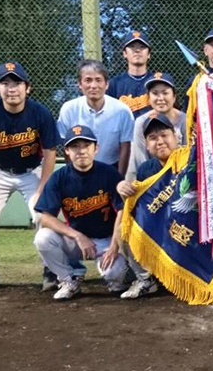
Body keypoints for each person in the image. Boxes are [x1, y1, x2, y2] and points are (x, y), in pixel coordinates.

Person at [0, 61, 59, 292]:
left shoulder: (40, 112)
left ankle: (51, 271)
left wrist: (42, 188)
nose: (11, 88)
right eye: (5, 83)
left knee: (44, 216)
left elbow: (50, 152)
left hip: (33, 171)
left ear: (27, 87)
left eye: (17, 82)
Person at [33, 125, 131, 301]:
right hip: (75, 240)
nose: (81, 151)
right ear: (68, 152)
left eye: (86, 145)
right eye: (75, 147)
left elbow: (123, 211)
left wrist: (115, 245)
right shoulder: (59, 177)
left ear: (96, 148)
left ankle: (116, 277)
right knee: (43, 238)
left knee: (115, 274)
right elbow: (45, 218)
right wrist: (78, 236)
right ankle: (69, 279)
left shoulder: (109, 173)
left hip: (106, 240)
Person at [117, 114, 181, 299]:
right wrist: (122, 187)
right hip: (161, 231)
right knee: (125, 230)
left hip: (189, 230)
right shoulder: (146, 169)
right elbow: (135, 208)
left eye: (164, 135)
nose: (159, 142)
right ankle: (146, 280)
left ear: (176, 137)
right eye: (152, 138)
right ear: (146, 145)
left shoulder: (190, 160)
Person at [58, 59, 134, 177]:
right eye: (88, 80)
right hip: (79, 169)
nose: (93, 86)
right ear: (80, 84)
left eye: (98, 80)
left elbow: (125, 147)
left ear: (106, 84)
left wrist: (119, 178)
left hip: (111, 168)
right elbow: (65, 145)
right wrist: (73, 175)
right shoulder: (68, 109)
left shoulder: (122, 111)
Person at [127, 72, 186, 181]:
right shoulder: (141, 122)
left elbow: (190, 155)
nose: (160, 98)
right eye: (155, 93)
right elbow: (139, 159)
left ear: (174, 96)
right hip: (152, 177)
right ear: (148, 98)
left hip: (181, 175)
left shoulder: (185, 120)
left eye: (165, 93)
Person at [107, 29, 154, 119]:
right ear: (125, 53)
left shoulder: (157, 81)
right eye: (132, 47)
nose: (137, 50)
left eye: (142, 47)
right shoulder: (114, 84)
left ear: (148, 54)